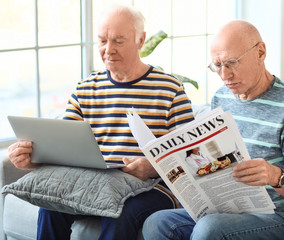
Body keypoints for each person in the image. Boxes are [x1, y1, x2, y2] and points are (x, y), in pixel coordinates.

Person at [7, 4, 194, 240]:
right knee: (50, 207)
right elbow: (64, 151)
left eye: (118, 41)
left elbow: (191, 154)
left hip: (153, 187)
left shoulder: (170, 90)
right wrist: (32, 160)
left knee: (121, 213)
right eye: (102, 40)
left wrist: (154, 165)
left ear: (140, 40)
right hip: (95, 184)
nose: (108, 49)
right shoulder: (85, 89)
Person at [142, 20, 284, 240]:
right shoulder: (222, 97)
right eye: (217, 66)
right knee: (156, 223)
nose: (225, 75)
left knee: (210, 228)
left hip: (280, 218)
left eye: (232, 63)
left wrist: (274, 175)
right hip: (230, 209)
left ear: (261, 53)